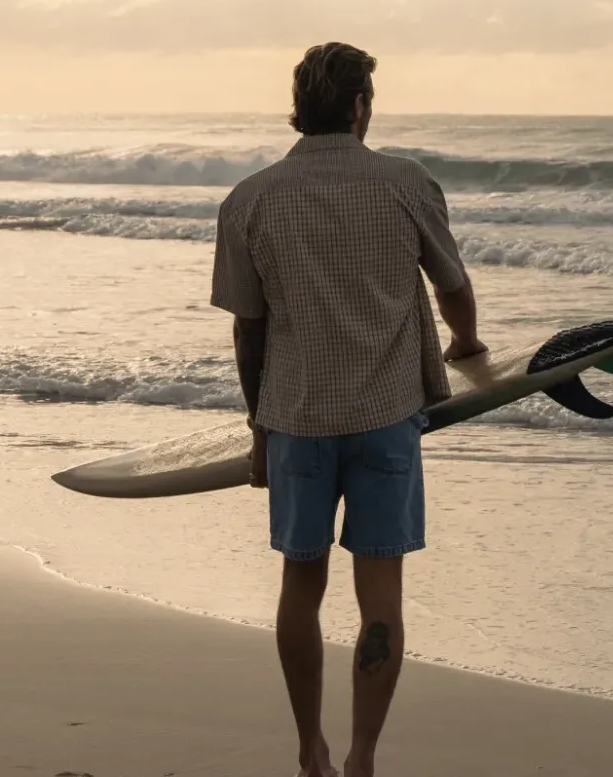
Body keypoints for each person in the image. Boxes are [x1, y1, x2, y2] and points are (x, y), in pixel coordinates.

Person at [210, 42, 486, 777]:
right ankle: (363, 758)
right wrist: (467, 343)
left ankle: (311, 752)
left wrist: (257, 433)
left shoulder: (250, 199)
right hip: (387, 420)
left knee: (301, 588)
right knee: (381, 595)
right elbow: (451, 286)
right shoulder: (405, 183)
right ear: (362, 107)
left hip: (297, 423)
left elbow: (249, 329)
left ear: (300, 107)